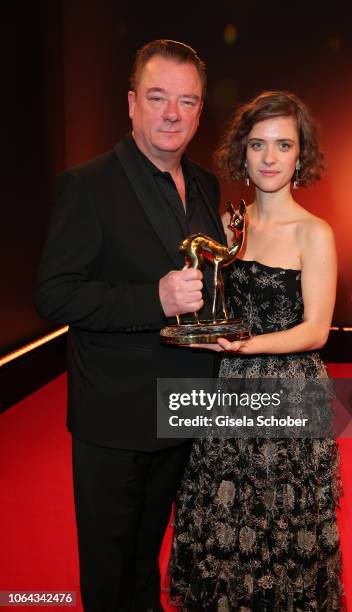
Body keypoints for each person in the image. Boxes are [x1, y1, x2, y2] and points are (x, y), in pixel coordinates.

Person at [34, 39, 225, 612]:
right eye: (157, 96)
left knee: (147, 557)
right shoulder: (87, 185)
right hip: (115, 419)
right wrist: (155, 298)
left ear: (199, 110)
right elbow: (54, 294)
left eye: (186, 101)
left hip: (186, 405)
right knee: (110, 569)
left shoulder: (208, 186)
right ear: (131, 103)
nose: (172, 113)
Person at [169, 91, 344, 610]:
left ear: (300, 155)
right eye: (258, 145)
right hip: (227, 391)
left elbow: (316, 331)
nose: (270, 158)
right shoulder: (229, 228)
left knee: (283, 524)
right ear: (241, 154)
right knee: (227, 517)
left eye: (283, 145)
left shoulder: (315, 233)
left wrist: (244, 346)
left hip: (290, 394)